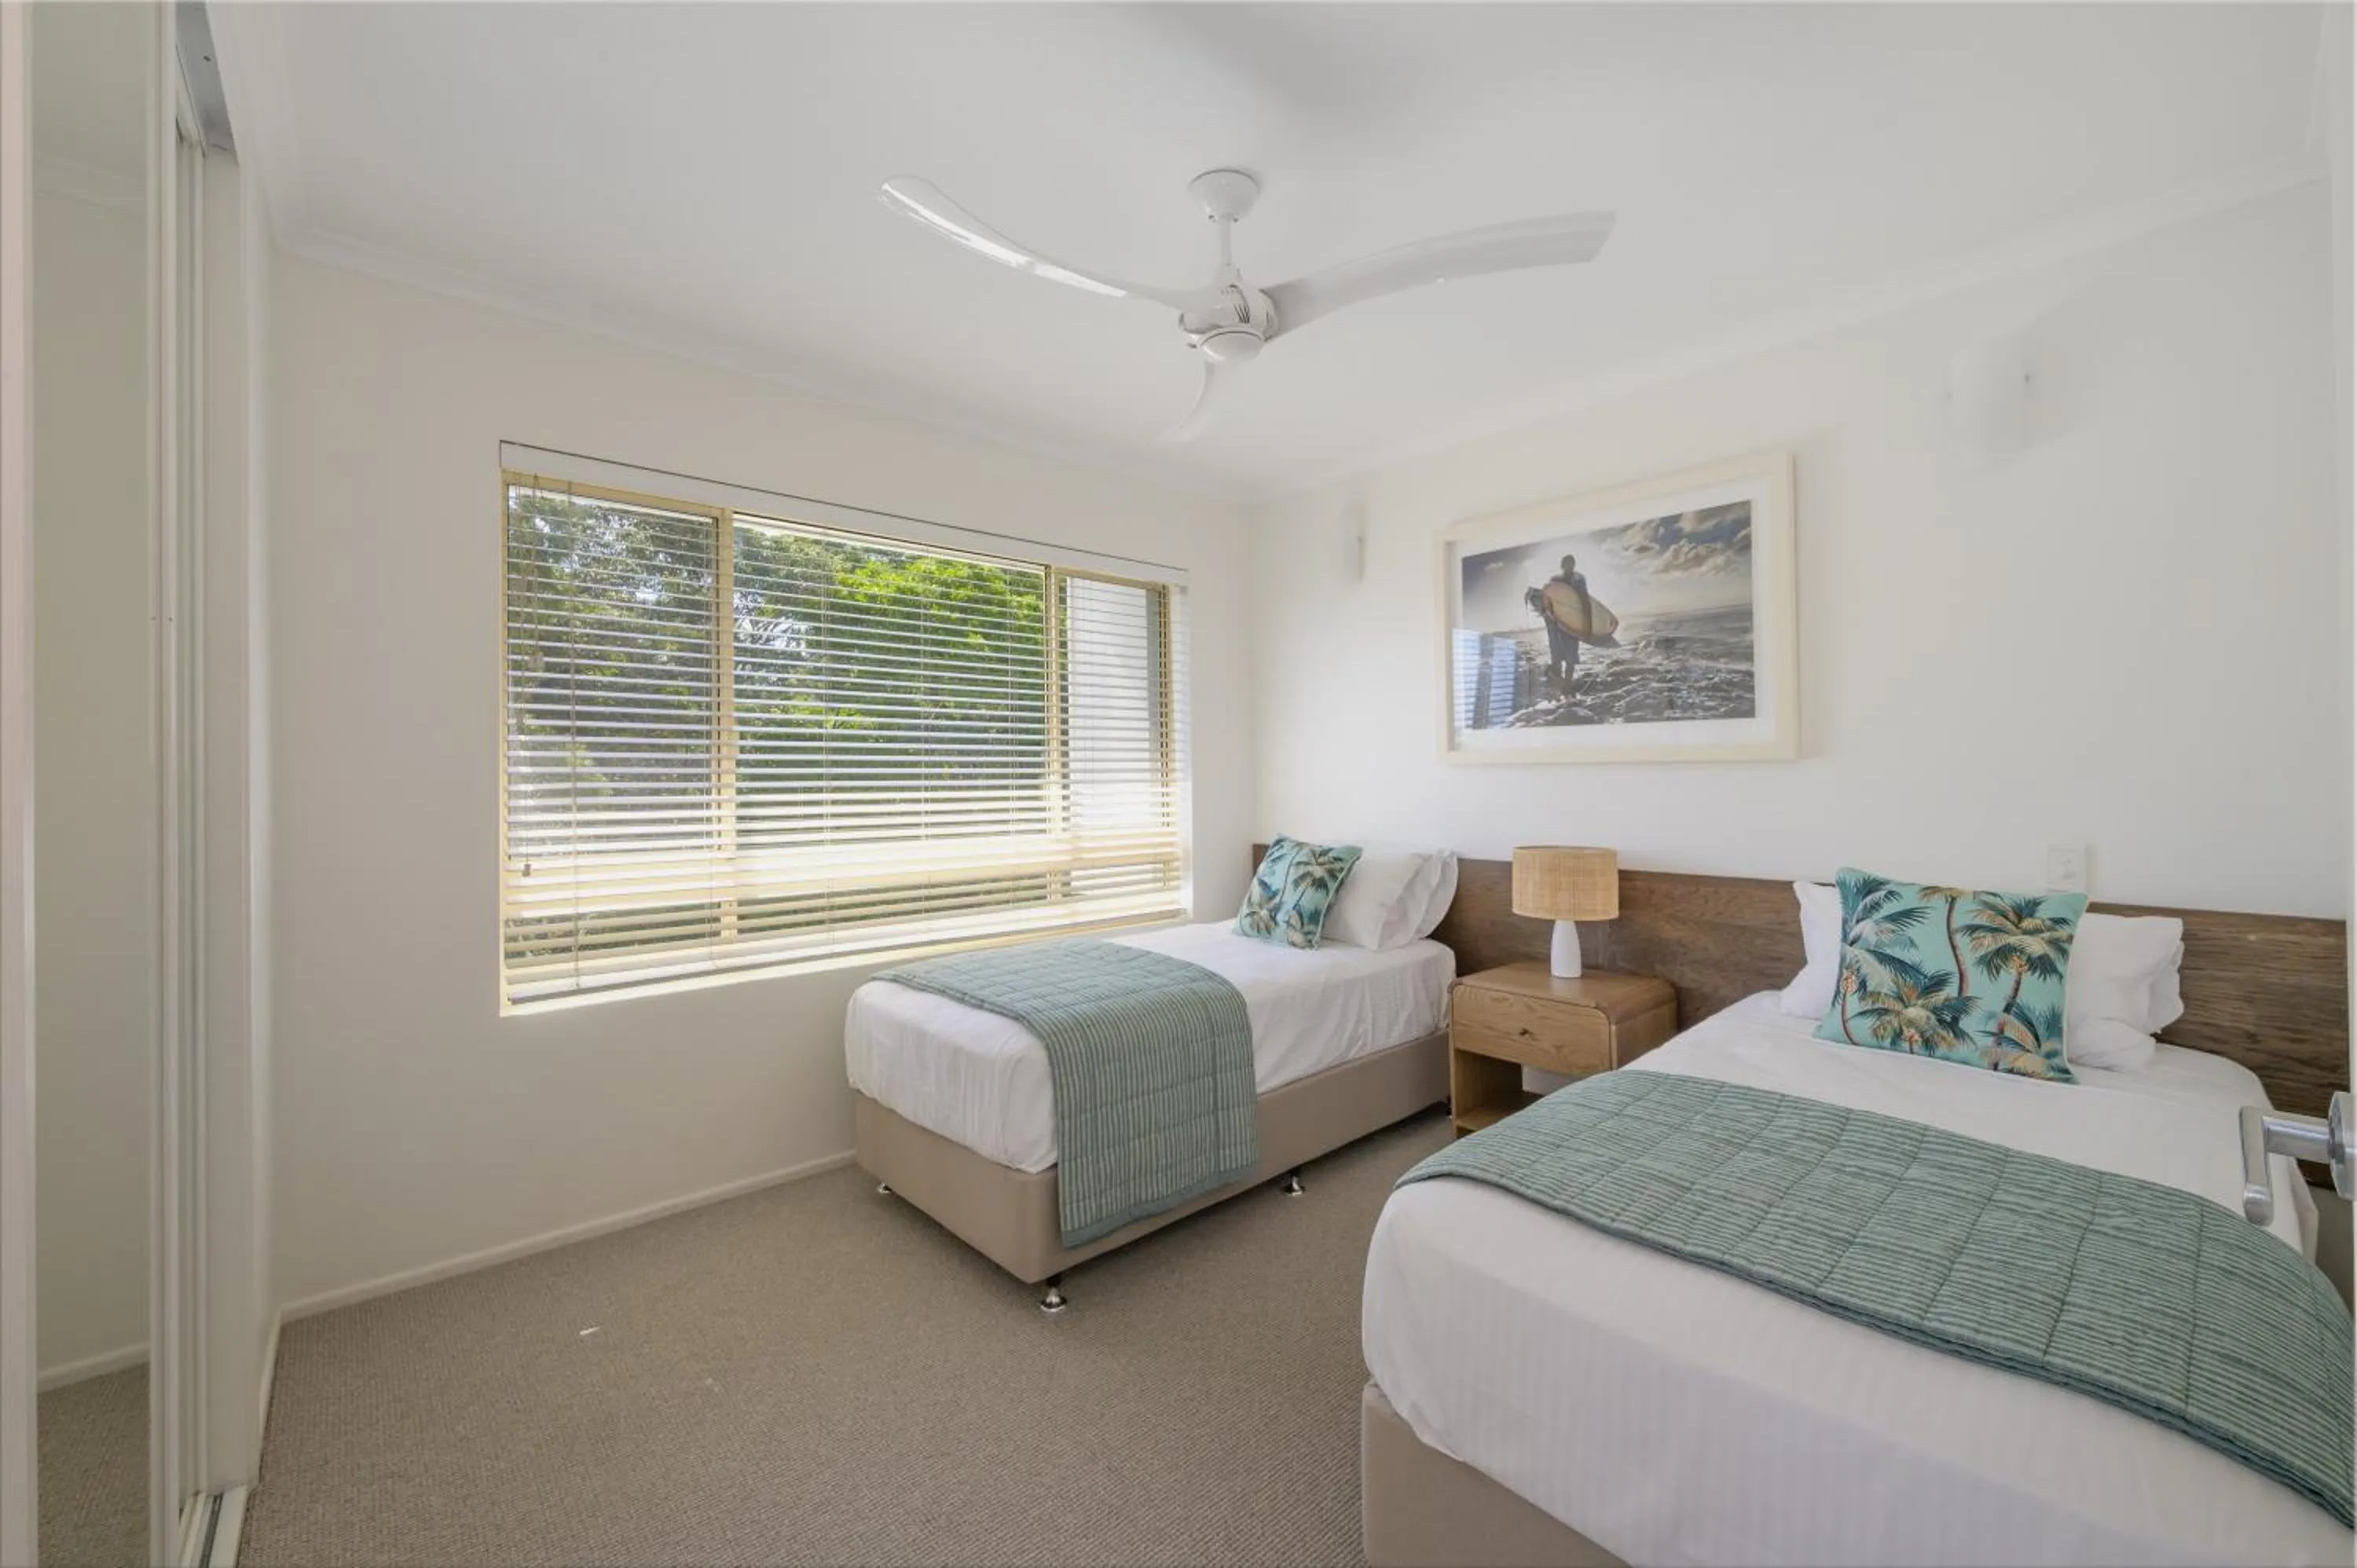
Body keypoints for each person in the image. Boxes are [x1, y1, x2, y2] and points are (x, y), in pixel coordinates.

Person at [1525, 552, 1593, 697]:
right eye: (1567, 564)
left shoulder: (1579, 580)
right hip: (1555, 625)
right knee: (1556, 659)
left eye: (1572, 564)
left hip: (1572, 624)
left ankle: (1566, 688)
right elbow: (1548, 602)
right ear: (1562, 566)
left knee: (1571, 659)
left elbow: (1584, 601)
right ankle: (1562, 687)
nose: (1569, 567)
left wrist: (1587, 626)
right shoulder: (1555, 581)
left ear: (1574, 565)